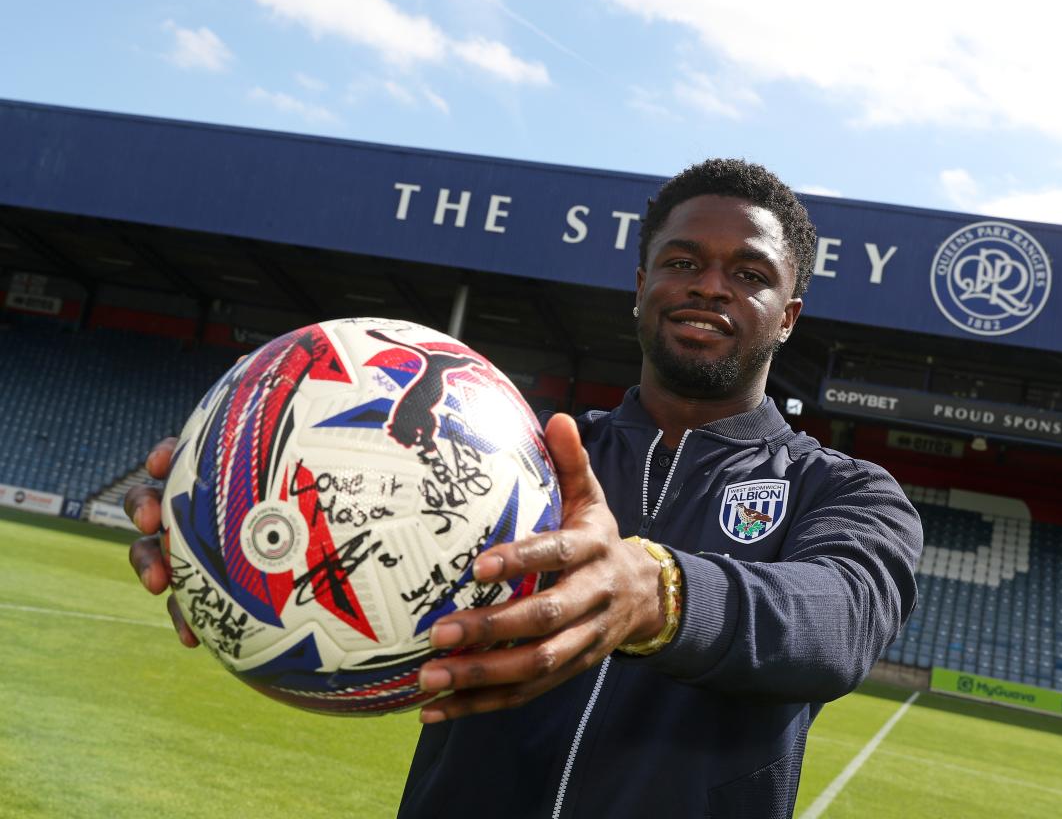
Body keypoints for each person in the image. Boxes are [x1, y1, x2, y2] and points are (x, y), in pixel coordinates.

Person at [127, 158, 923, 819]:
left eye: (748, 274)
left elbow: (837, 620)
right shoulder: (514, 457)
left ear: (787, 316)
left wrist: (657, 593)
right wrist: (227, 527)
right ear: (642, 282)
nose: (711, 286)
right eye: (684, 261)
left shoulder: (846, 492)